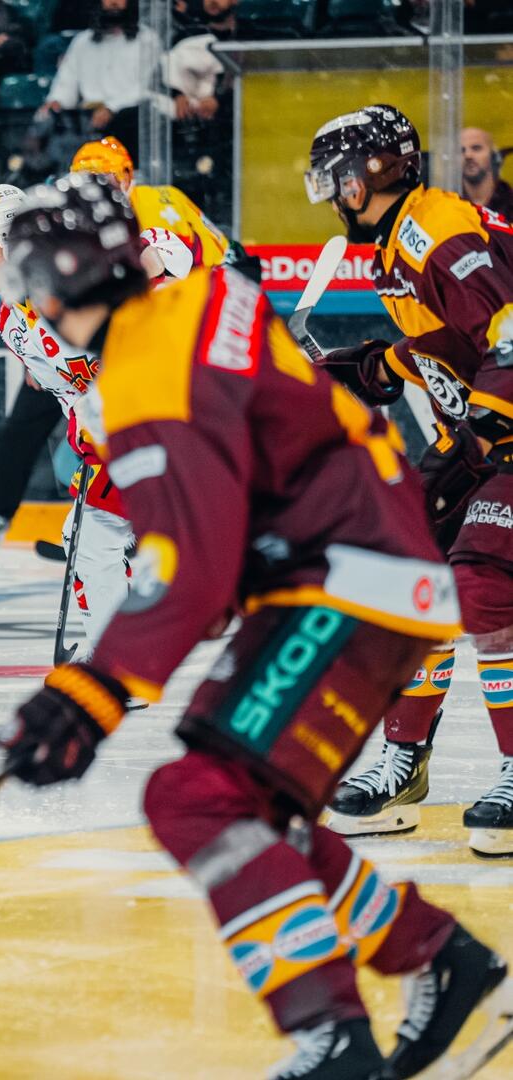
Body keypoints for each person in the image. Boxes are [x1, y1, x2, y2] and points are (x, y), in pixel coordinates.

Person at [0, 171, 510, 1080]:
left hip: (350, 584)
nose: (26, 299)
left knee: (192, 799)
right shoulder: (203, 296)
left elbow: (187, 564)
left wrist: (88, 693)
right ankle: (435, 952)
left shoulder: (145, 370)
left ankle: (332, 1034)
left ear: (67, 275)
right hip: (362, 566)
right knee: (250, 806)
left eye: (28, 276)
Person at [303, 104, 513, 859]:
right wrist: (379, 364)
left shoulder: (436, 228)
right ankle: (405, 762)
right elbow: (458, 335)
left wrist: (493, 412)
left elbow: (510, 322)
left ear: (372, 176)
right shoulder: (399, 241)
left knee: (484, 580)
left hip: (503, 429)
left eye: (340, 183)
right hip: (480, 435)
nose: (335, 199)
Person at [0, 184, 133, 653]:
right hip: (120, 439)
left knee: (92, 540)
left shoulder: (84, 280)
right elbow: (72, 394)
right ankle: (114, 652)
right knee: (88, 537)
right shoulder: (12, 322)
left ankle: (114, 659)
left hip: (156, 426)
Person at [71, 135, 230, 280]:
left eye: (103, 179)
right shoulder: (88, 216)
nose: (94, 190)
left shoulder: (153, 207)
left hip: (213, 282)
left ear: (127, 177)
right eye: (84, 181)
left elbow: (168, 274)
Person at [36, 0, 156, 157]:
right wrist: (57, 100)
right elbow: (67, 81)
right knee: (48, 119)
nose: (114, 2)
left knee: (130, 120)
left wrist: (111, 108)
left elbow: (147, 85)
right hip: (88, 116)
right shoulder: (82, 41)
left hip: (129, 114)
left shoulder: (148, 39)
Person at [461, 126, 513, 219]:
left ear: (494, 157)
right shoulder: (448, 201)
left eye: (476, 148)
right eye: (461, 150)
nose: (468, 155)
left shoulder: (509, 201)